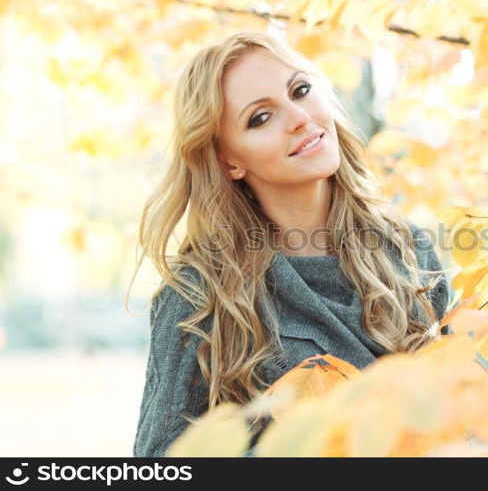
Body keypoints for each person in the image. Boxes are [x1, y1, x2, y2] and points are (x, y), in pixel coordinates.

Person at [130, 31, 452, 457]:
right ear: (229, 162)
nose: (299, 117)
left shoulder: (406, 250)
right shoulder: (200, 295)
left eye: (300, 90)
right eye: (260, 118)